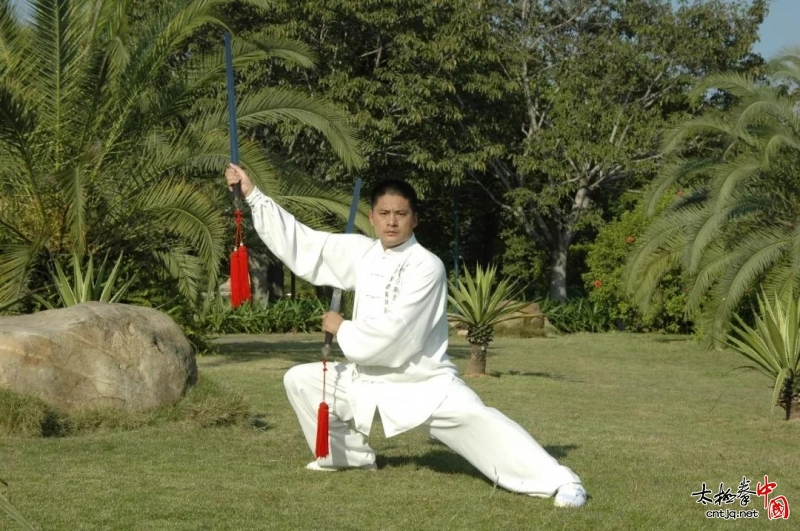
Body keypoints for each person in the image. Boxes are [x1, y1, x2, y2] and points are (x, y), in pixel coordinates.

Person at [224, 164, 588, 508]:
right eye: (384, 213)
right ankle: (348, 458)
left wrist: (342, 328)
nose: (392, 221)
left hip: (421, 381)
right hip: (366, 378)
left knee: (479, 421)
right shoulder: (362, 253)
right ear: (372, 217)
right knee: (301, 380)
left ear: (414, 218)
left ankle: (560, 480)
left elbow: (397, 336)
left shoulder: (427, 267)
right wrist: (253, 193)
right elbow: (304, 243)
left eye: (400, 214)